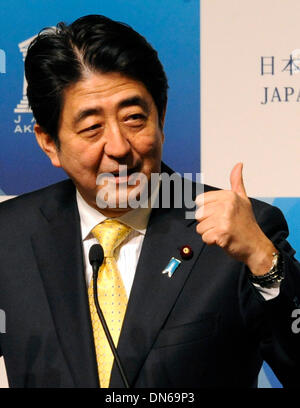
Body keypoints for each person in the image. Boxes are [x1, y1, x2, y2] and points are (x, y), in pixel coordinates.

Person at [0, 14, 299, 388]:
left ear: (161, 118)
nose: (119, 147)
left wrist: (263, 260)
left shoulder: (244, 230)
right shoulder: (8, 237)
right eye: (92, 127)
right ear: (49, 143)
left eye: (134, 118)